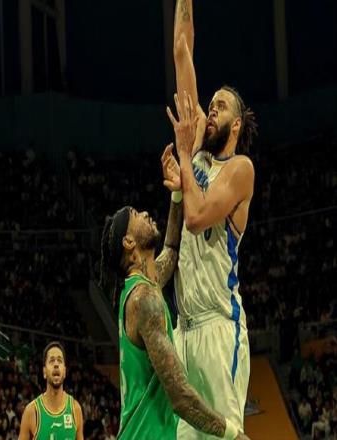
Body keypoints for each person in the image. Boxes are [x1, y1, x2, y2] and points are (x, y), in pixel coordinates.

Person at [99, 147, 249, 439]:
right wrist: (233, 433)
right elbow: (180, 397)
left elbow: (171, 247)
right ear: (128, 242)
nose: (145, 213)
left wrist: (178, 194)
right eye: (136, 215)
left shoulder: (142, 288)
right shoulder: (144, 300)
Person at [167, 1, 259, 437]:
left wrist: (185, 158)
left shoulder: (240, 169)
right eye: (211, 105)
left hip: (220, 327)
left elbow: (198, 217)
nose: (211, 110)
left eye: (220, 107)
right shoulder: (198, 151)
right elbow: (182, 50)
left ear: (235, 125)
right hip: (184, 329)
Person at [18, 342, 83, 440]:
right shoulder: (31, 411)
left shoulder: (75, 409)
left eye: (59, 360)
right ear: (44, 371)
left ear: (64, 372)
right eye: (52, 361)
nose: (56, 364)